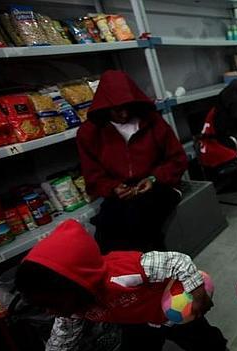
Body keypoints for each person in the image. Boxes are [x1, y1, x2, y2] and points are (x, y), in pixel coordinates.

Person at [15, 219, 228, 351]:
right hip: (137, 324)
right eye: (43, 307)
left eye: (51, 305)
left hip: (172, 310)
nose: (50, 312)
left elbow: (178, 261)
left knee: (206, 346)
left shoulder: (125, 270)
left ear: (76, 287)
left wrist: (197, 291)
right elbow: (62, 340)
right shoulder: (71, 309)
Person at [77, 70, 188, 254]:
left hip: (160, 185)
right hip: (120, 193)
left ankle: (153, 269)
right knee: (106, 227)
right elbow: (93, 175)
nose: (124, 113)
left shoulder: (153, 123)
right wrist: (114, 187)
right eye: (117, 109)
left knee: (141, 220)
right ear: (105, 107)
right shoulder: (90, 133)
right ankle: (121, 274)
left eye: (128, 106)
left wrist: (153, 179)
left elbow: (177, 159)